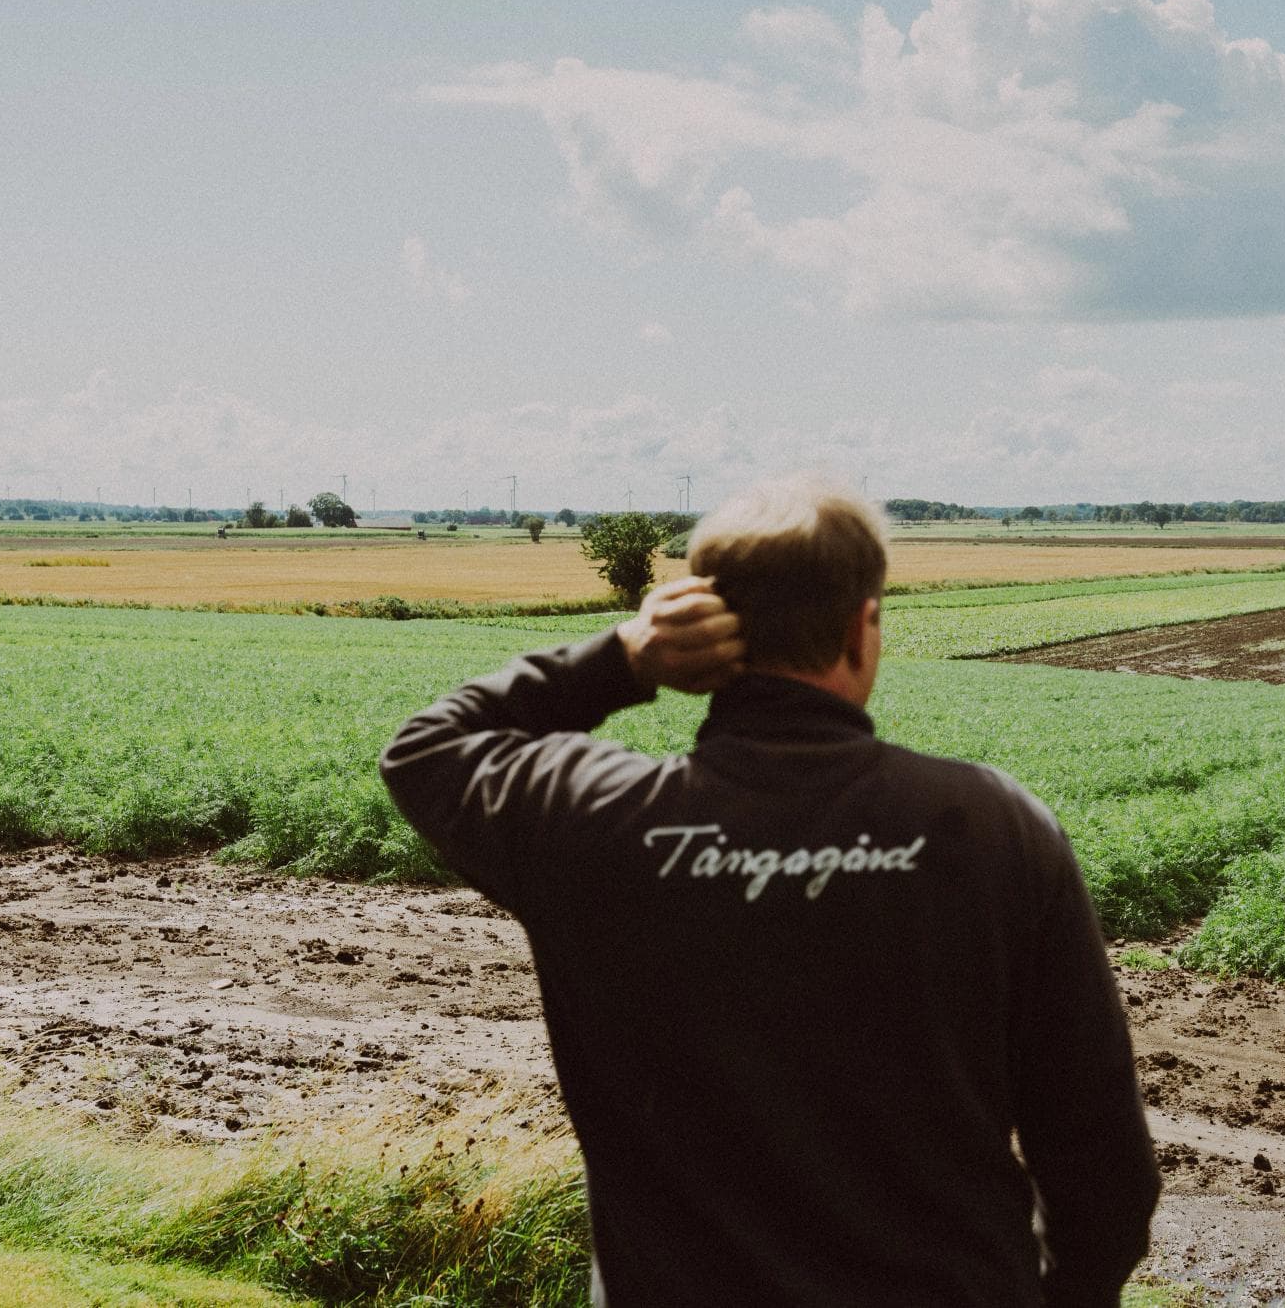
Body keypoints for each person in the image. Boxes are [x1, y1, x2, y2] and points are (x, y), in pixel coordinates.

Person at [380, 475, 1159, 1306]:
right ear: (861, 628)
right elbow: (1099, 1161)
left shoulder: (593, 817)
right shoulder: (994, 824)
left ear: (700, 623)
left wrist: (623, 657)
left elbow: (426, 750)